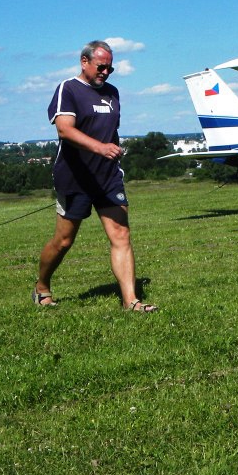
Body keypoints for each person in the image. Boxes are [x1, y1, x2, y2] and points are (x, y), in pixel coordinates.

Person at [34, 40, 157, 313]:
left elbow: (110, 131)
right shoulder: (69, 89)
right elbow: (65, 130)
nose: (105, 73)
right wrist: (100, 148)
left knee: (121, 234)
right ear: (84, 61)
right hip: (75, 178)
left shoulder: (113, 93)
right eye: (101, 67)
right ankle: (42, 285)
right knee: (64, 240)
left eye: (110, 69)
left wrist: (113, 150)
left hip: (108, 177)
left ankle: (131, 301)